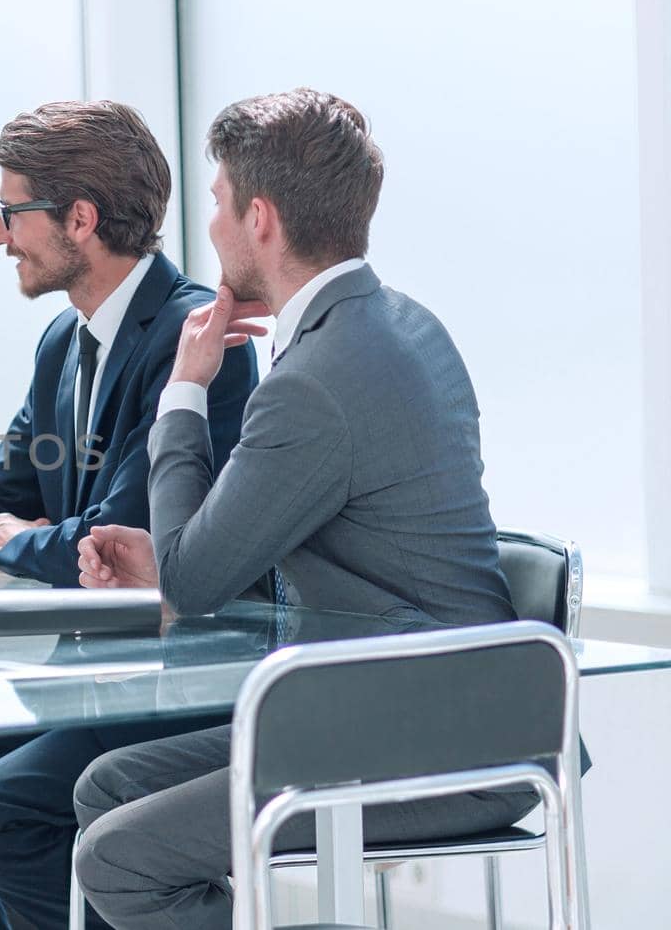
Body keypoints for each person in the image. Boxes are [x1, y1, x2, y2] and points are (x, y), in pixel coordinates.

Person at [73, 88, 536, 929]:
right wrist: (184, 557)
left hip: (448, 742)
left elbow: (192, 581)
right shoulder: (404, 325)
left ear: (260, 219)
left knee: (116, 858)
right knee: (109, 786)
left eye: (215, 202)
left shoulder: (315, 383)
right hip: (447, 705)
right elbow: (343, 549)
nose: (206, 225)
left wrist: (183, 391)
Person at [0, 101, 258, 929]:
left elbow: (115, 539)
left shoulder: (197, 342)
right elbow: (4, 494)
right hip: (87, 683)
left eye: (12, 214)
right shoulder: (63, 342)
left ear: (79, 219)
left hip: (171, 693)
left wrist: (12, 550)